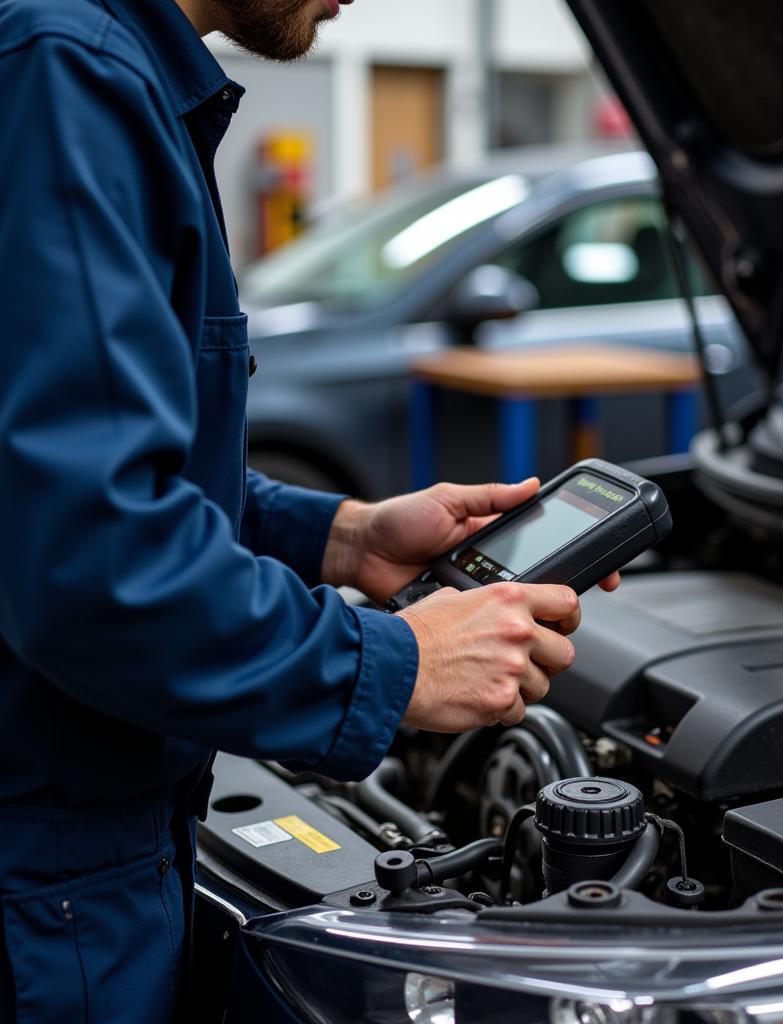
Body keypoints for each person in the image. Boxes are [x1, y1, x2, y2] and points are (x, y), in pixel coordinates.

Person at [0, 0, 618, 1019]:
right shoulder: (65, 67)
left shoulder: (101, 68)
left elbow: (83, 477)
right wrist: (396, 663)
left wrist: (342, 537)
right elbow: (92, 559)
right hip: (44, 874)